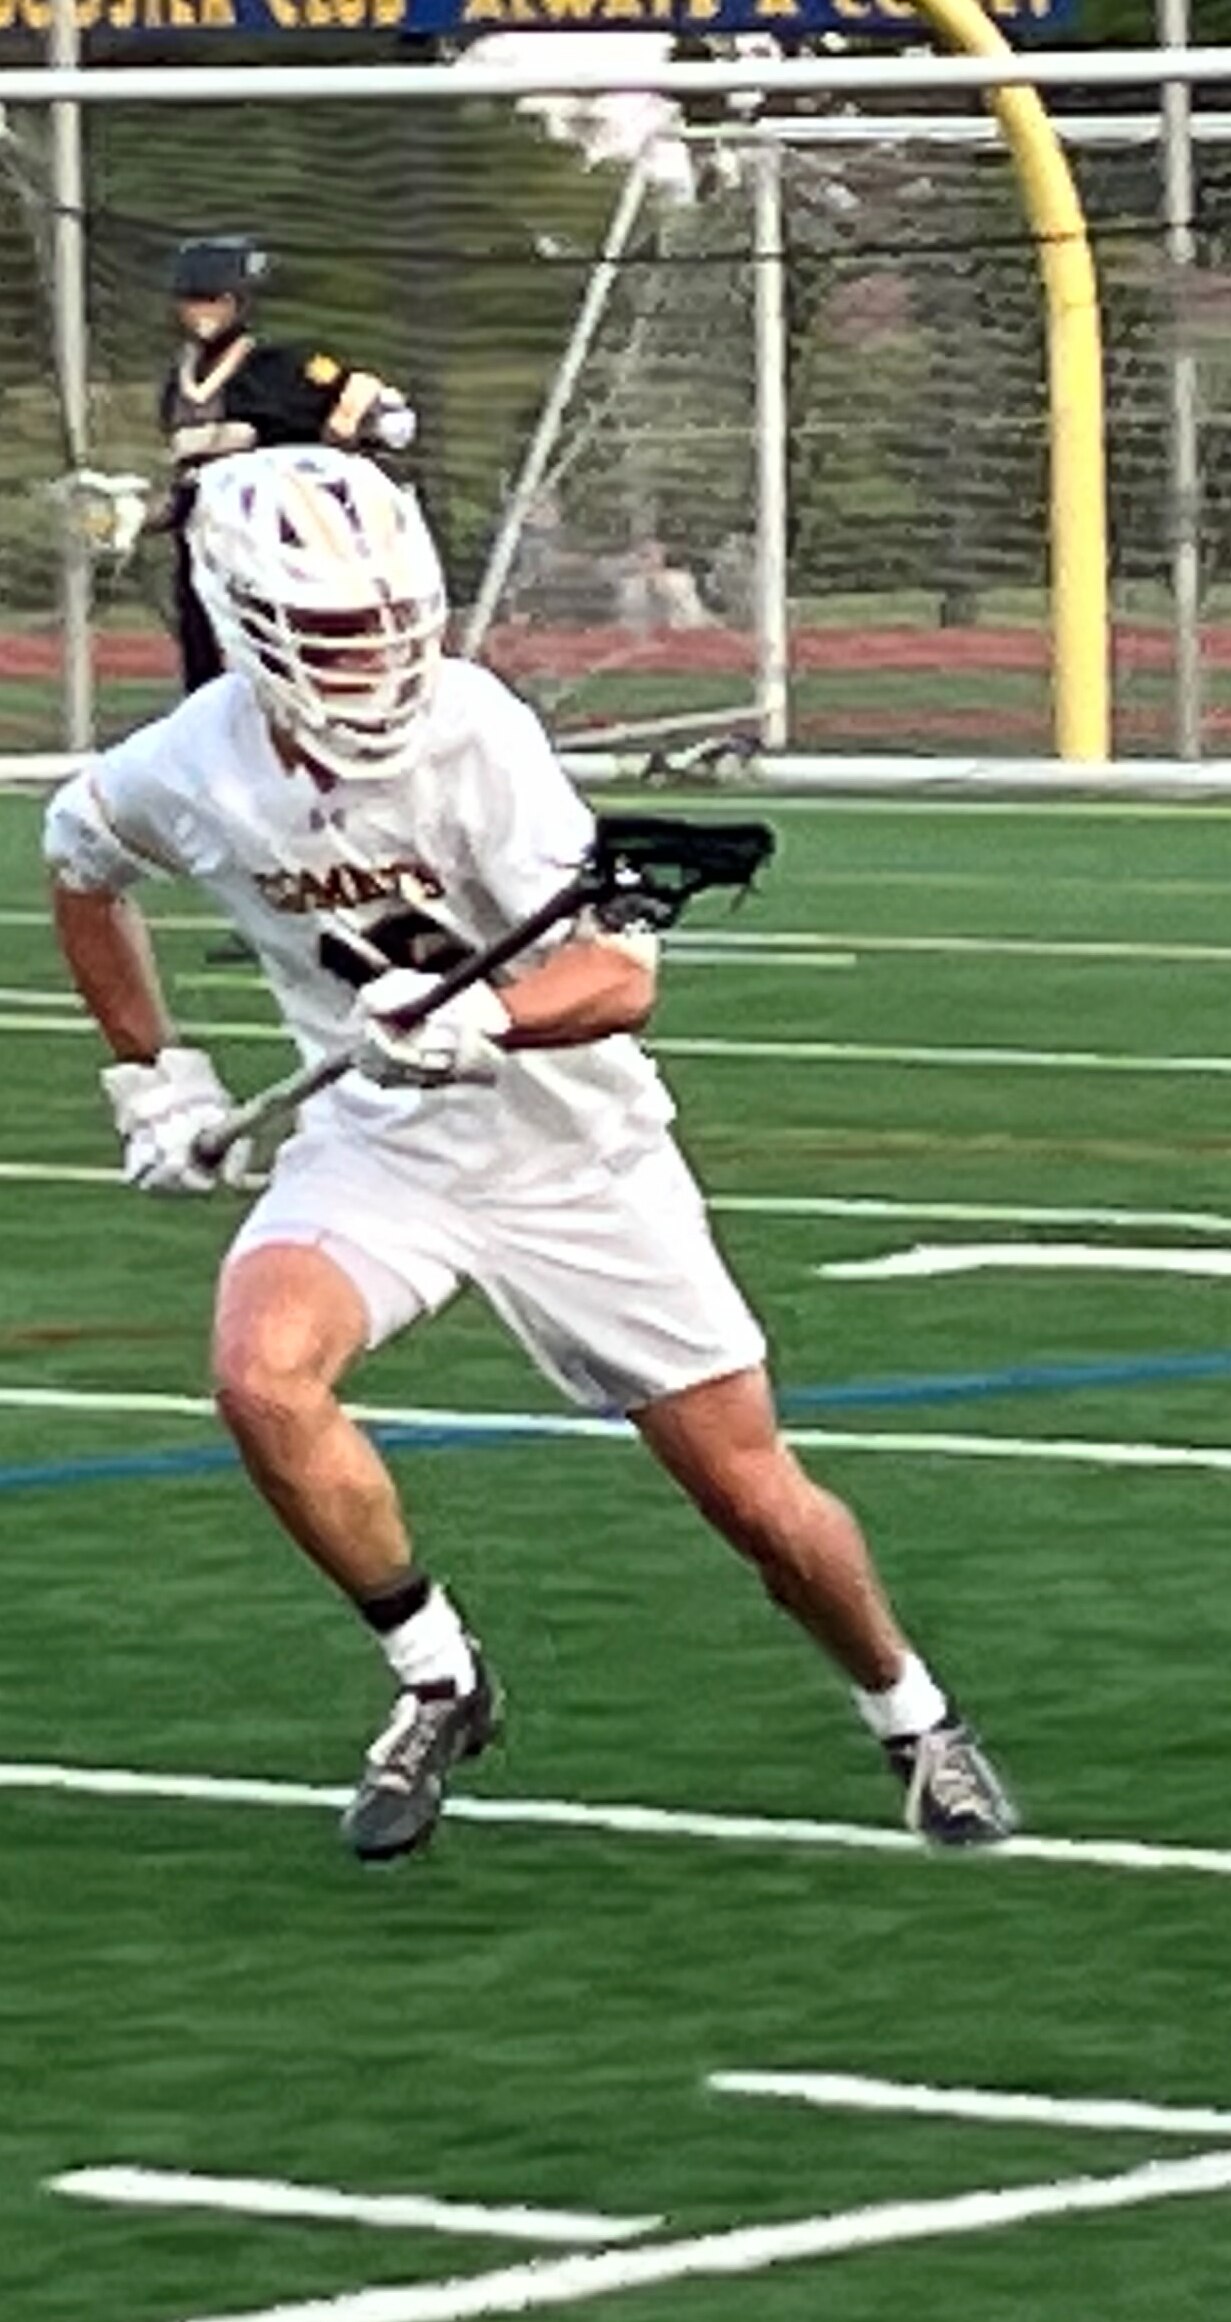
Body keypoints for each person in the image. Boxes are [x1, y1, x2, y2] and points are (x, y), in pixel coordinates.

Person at [41, 445, 1017, 1864]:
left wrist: (479, 1019)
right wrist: (152, 1075)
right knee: (261, 1377)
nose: (377, 658)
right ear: (247, 626)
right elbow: (81, 862)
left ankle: (911, 1711)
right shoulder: (186, 765)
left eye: (393, 621)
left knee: (754, 1499)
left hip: (576, 1157)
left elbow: (619, 979)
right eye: (332, 632)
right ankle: (440, 1677)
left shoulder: (476, 732)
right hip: (380, 1146)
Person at [160, 237, 419, 696]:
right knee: (207, 675)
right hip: (205, 550)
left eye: (215, 300)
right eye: (192, 299)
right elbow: (191, 480)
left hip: (276, 549)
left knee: (287, 663)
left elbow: (373, 397)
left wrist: (345, 425)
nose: (202, 312)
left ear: (238, 303)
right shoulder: (178, 387)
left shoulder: (279, 368)